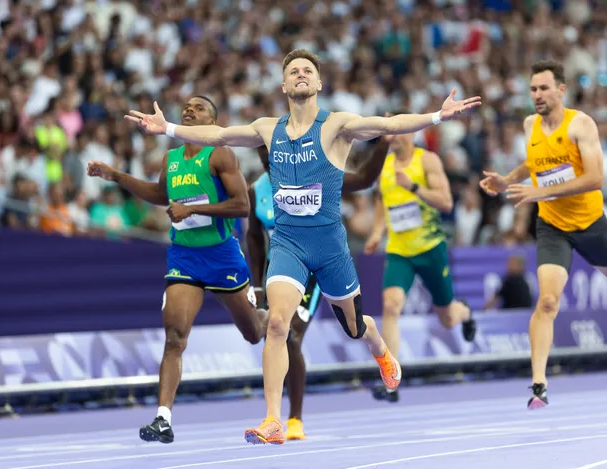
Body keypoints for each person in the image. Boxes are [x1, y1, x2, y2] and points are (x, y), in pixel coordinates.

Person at [125, 49, 482, 445]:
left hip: (330, 248)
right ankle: (273, 420)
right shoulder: (266, 128)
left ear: (318, 84)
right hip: (289, 245)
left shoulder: (337, 126)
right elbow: (219, 135)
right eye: (292, 70)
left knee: (354, 326)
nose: (300, 74)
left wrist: (436, 116)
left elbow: (388, 122)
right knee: (277, 324)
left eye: (307, 70)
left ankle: (378, 347)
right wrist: (169, 129)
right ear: (283, 85)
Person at [87, 95, 270, 444]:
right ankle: (163, 418)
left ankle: (267, 317)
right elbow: (159, 194)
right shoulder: (171, 159)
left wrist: (192, 211)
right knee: (174, 336)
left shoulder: (220, 153)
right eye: (187, 106)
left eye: (200, 107)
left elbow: (242, 206)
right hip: (184, 257)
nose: (190, 109)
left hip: (222, 256)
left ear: (213, 123)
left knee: (252, 333)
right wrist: (115, 175)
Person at [479, 60, 607, 410]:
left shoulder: (580, 124)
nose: (537, 95)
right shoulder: (529, 125)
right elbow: (536, 164)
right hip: (552, 227)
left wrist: (538, 193)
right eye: (533, 89)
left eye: (543, 88)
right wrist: (509, 179)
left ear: (560, 90)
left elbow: (596, 178)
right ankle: (539, 383)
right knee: (548, 302)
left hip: (590, 224)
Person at [247, 138, 390, 440]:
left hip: (322, 262)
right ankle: (280, 419)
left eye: (270, 156)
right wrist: (258, 285)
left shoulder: (314, 172)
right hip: (286, 266)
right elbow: (255, 240)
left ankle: (374, 338)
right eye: (262, 158)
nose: (267, 163)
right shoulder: (257, 190)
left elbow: (364, 179)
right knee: (281, 330)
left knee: (350, 329)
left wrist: (384, 144)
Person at [363, 124, 477, 403]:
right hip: (399, 251)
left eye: (400, 131)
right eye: (390, 132)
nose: (394, 137)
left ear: (412, 133)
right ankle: (392, 380)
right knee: (390, 307)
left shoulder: (427, 161)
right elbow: (381, 200)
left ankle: (464, 312)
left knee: (447, 318)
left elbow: (447, 203)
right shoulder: (385, 165)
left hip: (430, 248)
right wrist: (378, 232)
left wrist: (414, 187)